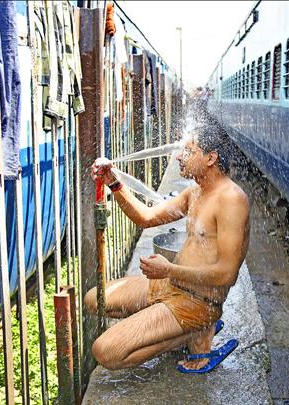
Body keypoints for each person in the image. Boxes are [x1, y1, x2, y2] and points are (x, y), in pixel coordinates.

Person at [85, 121, 250, 373]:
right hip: (171, 285)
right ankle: (182, 328)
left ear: (211, 158)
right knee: (95, 299)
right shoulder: (195, 192)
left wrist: (170, 270)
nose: (178, 157)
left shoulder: (232, 200)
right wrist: (114, 183)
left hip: (198, 300)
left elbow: (227, 273)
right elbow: (146, 218)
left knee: (106, 352)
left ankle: (193, 331)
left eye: (188, 151)